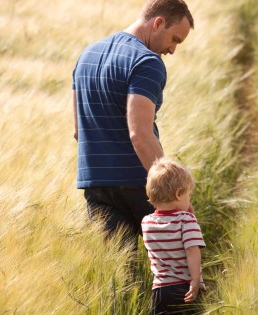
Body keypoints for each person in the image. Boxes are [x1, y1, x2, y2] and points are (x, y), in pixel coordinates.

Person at [71, 0, 194, 250]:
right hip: (138, 180)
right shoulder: (146, 62)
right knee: (176, 263)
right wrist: (172, 190)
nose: (172, 50)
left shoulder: (87, 55)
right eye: (175, 39)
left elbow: (77, 132)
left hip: (95, 182)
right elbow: (139, 134)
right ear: (158, 23)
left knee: (119, 270)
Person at [142, 157, 206, 314]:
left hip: (160, 291)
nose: (189, 200)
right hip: (185, 288)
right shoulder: (186, 219)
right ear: (178, 194)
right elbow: (192, 251)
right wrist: (195, 280)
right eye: (188, 195)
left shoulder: (146, 222)